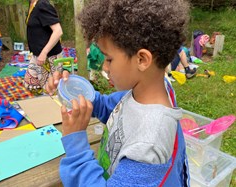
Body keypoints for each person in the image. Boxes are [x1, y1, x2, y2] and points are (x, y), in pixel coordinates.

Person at [46, 0, 190, 186]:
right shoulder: (146, 90)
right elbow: (110, 108)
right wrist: (73, 89)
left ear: (142, 59)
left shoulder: (148, 144)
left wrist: (77, 147)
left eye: (109, 59)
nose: (105, 67)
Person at [24, 0, 63, 95]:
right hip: (37, 55)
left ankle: (53, 107)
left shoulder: (42, 5)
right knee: (30, 83)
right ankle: (43, 104)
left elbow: (58, 31)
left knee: (51, 90)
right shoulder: (32, 4)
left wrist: (44, 53)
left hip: (49, 57)